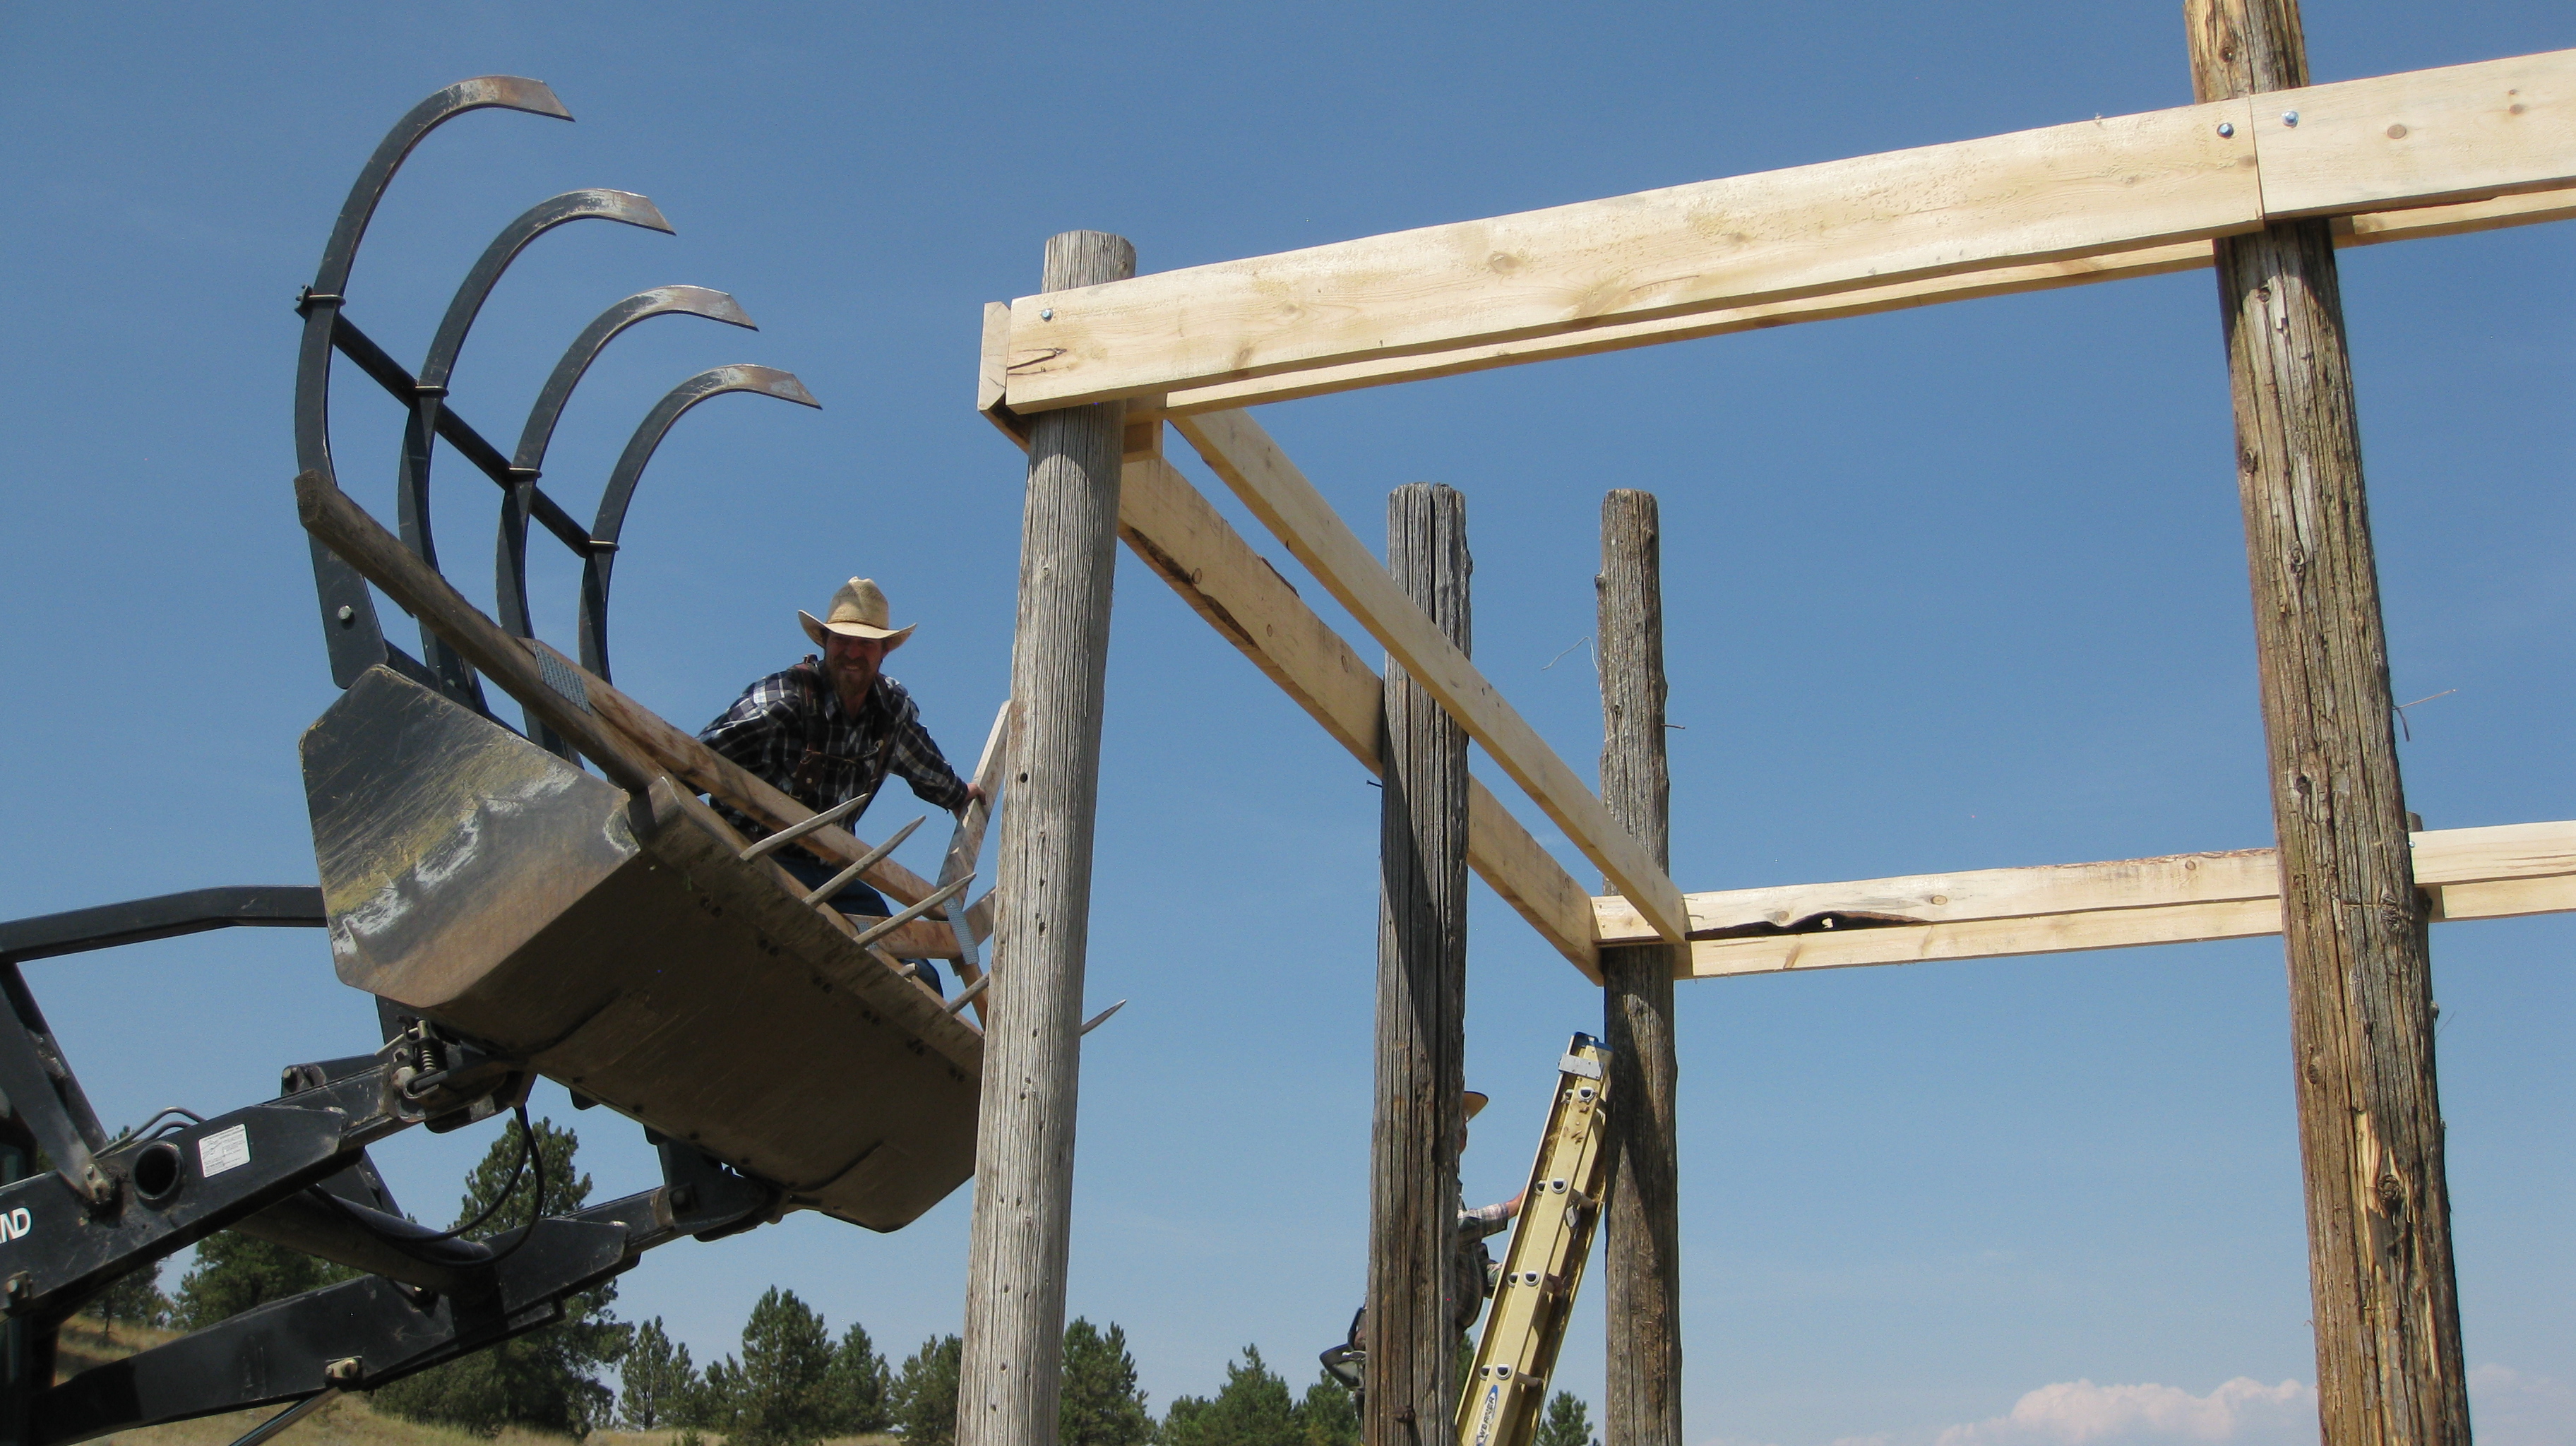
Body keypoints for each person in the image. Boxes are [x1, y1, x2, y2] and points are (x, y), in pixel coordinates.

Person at [698, 577, 985, 991]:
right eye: (842, 641)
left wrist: (961, 795)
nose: (852, 653)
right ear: (824, 642)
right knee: (798, 945)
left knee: (918, 976)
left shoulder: (889, 713)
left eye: (865, 644)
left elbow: (927, 768)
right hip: (757, 854)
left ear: (884, 651)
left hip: (831, 873)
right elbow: (695, 761)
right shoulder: (782, 701)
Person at [1320, 1090, 1525, 1404]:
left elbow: (1477, 1268)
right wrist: (1511, 1209)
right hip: (1412, 1335)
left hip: (1438, 1338)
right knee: (1410, 1414)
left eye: (1465, 1120)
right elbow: (1441, 1231)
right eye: (1455, 1118)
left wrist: (1522, 1279)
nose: (1463, 1128)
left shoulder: (1450, 1187)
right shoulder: (1416, 1176)